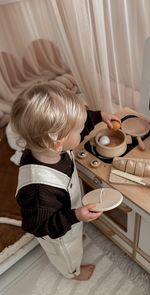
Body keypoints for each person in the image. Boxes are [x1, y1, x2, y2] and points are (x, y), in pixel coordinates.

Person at [10, 83, 121, 281]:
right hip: (57, 234)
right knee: (68, 254)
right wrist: (75, 215)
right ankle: (72, 273)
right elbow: (37, 226)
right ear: (58, 142)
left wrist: (99, 116)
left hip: (68, 211)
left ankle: (75, 234)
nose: (82, 132)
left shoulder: (51, 148)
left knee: (75, 236)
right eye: (78, 131)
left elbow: (79, 126)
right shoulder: (38, 190)